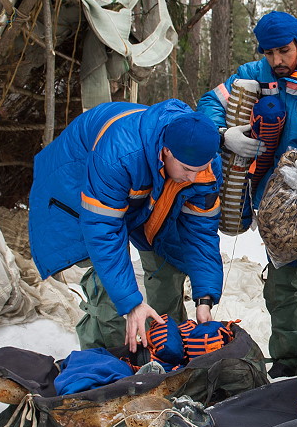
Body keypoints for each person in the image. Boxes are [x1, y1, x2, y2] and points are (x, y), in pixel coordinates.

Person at [198, 11, 297, 377]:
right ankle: (286, 356)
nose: (277, 61)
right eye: (269, 53)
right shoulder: (253, 76)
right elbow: (209, 102)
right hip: (273, 200)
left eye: (283, 51)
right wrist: (223, 133)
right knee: (280, 285)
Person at [29, 99, 224, 353]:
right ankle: (108, 360)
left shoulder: (203, 165)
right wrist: (131, 304)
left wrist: (205, 297)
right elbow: (103, 230)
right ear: (166, 151)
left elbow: (201, 233)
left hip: (147, 189)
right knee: (109, 291)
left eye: (201, 169)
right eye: (188, 169)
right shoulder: (118, 155)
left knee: (167, 263)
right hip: (77, 184)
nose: (194, 177)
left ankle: (167, 350)